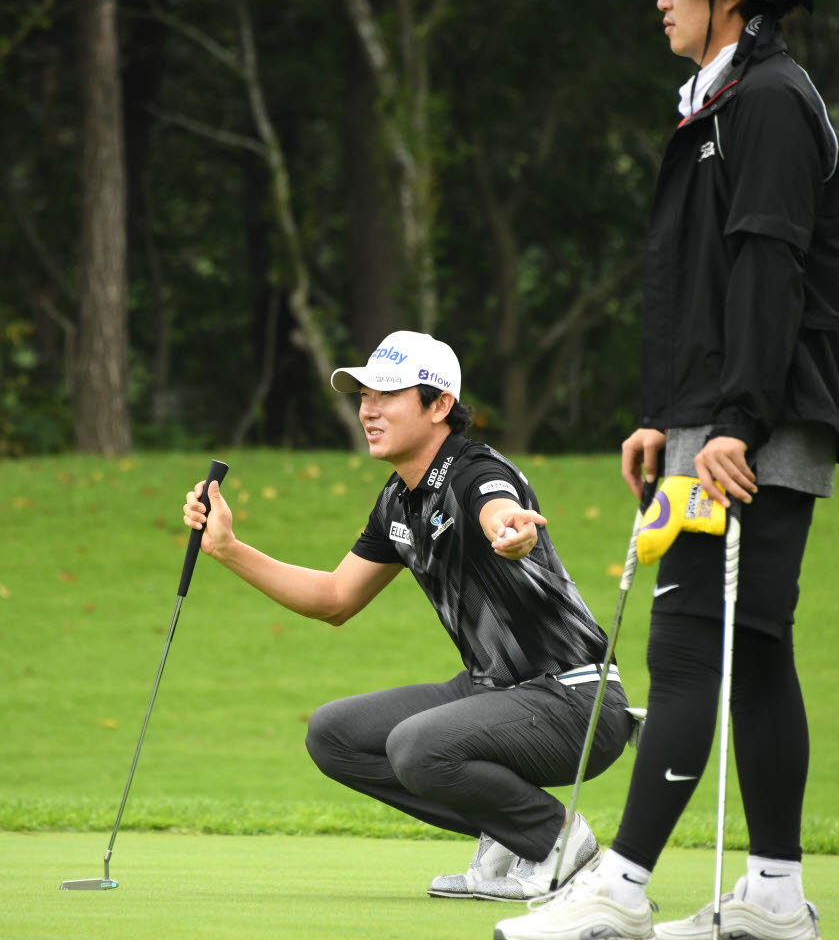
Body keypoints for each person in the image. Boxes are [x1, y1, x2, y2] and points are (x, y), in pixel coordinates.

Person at [494, 0, 839, 939]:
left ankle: (617, 886)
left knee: (691, 643)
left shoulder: (770, 100)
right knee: (752, 647)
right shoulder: (717, 103)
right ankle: (775, 897)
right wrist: (663, 410)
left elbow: (769, 269)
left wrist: (729, 424)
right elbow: (697, 283)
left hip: (757, 416)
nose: (657, 1)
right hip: (722, 411)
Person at [183, 329, 634, 902]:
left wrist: (509, 529)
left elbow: (499, 505)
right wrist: (227, 548)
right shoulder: (398, 498)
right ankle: (510, 835)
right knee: (334, 735)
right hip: (493, 692)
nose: (368, 409)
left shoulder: (475, 472)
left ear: (440, 405)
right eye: (364, 395)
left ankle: (555, 843)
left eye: (387, 394)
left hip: (575, 701)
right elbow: (335, 599)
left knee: (418, 746)